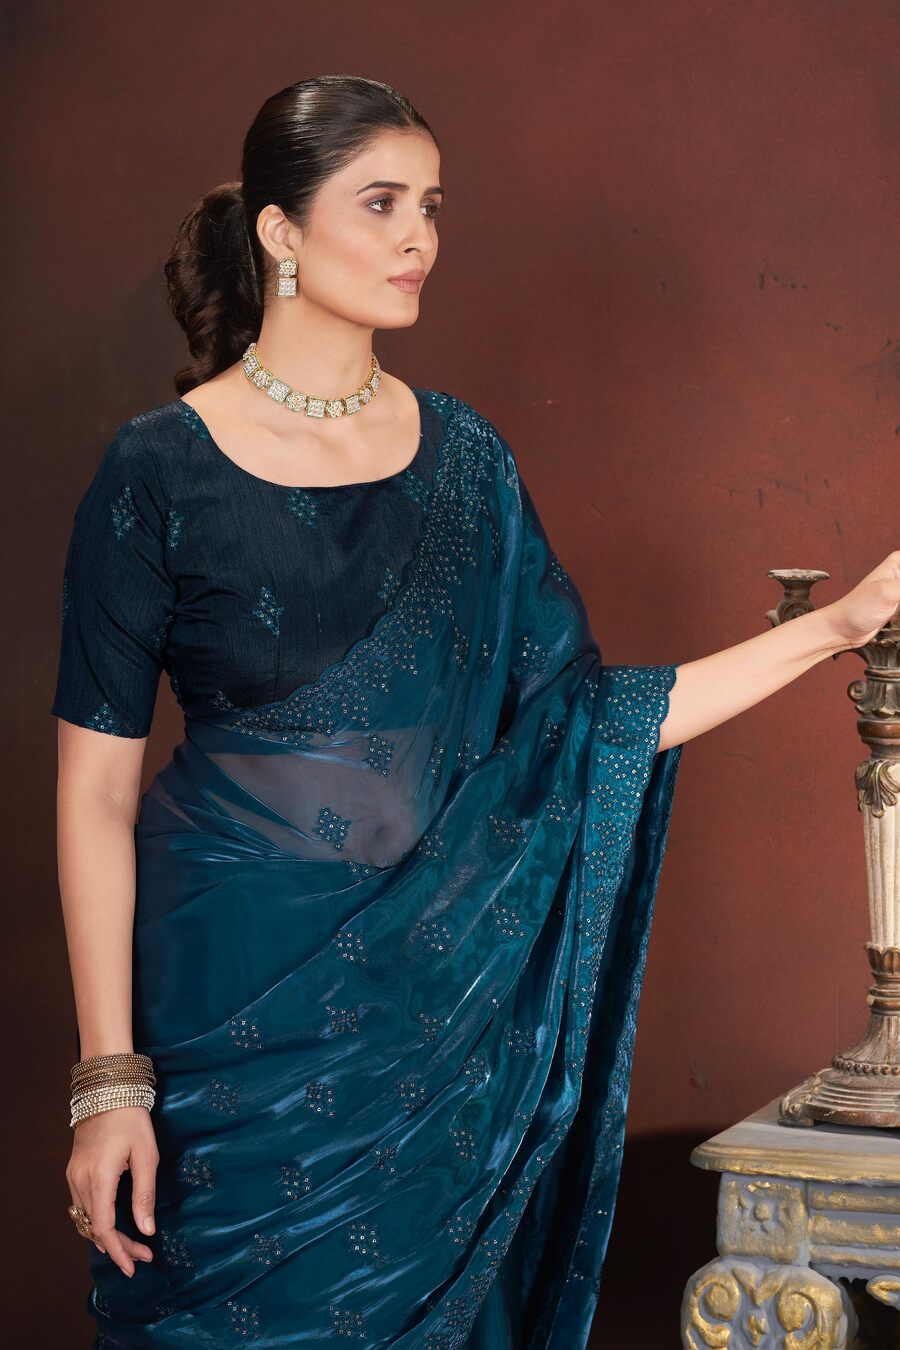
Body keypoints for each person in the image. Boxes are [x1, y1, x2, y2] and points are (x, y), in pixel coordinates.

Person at [52, 74, 899, 1350]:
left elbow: (584, 731)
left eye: (432, 207)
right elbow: (94, 794)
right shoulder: (156, 470)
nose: (419, 239)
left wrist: (837, 628)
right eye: (382, 203)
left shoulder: (468, 463)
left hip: (438, 1018)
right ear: (280, 231)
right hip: (227, 1008)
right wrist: (108, 1082)